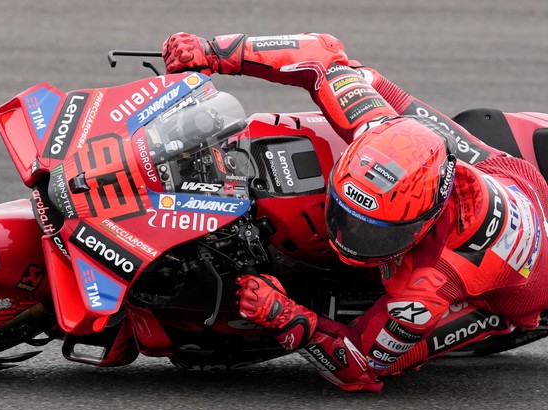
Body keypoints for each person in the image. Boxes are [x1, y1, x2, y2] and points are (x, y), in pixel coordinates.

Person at [162, 32, 548, 391]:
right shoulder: (376, 124)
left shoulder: (429, 286)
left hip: (518, 291)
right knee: (362, 78)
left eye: (376, 233)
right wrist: (214, 52)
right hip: (505, 173)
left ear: (421, 225)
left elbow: (362, 368)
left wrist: (288, 318)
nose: (347, 236)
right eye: (345, 215)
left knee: (399, 352)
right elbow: (319, 55)